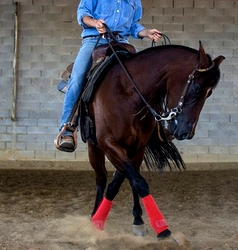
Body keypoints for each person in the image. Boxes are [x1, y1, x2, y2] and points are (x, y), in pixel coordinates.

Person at [57, 0, 162, 152]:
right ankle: (67, 128)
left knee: (149, 77)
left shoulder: (134, 1)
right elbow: (83, 14)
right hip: (94, 40)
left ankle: (158, 125)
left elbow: (133, 26)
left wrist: (146, 32)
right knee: (77, 80)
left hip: (122, 42)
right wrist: (95, 23)